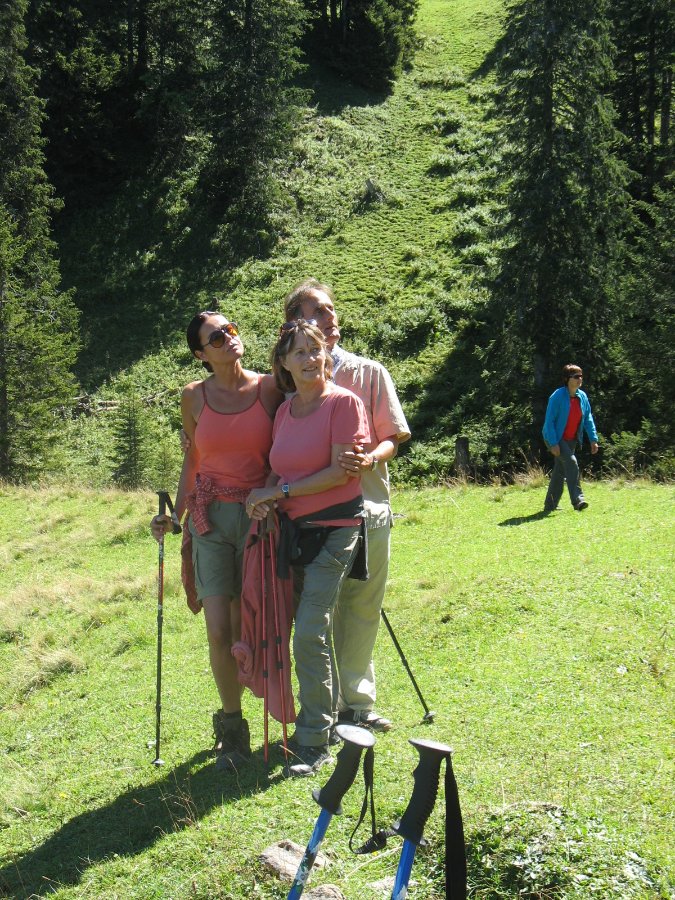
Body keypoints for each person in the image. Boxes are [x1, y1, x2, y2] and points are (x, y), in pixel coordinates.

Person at [150, 310, 284, 770]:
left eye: (230, 330)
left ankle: (276, 705)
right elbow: (193, 461)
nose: (229, 338)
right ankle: (232, 727)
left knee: (249, 625)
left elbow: (285, 449)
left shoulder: (270, 388)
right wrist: (175, 517)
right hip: (208, 520)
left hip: (258, 516)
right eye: (216, 337)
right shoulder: (193, 397)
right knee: (218, 630)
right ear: (200, 354)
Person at [283, 280, 410, 732]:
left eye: (331, 308)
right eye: (317, 310)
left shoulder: (368, 372)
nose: (330, 317)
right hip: (310, 516)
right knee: (320, 609)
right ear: (294, 323)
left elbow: (392, 436)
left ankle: (356, 704)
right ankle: (328, 706)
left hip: (369, 505)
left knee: (362, 606)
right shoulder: (287, 381)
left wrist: (370, 458)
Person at [246, 319, 370, 776]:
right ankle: (325, 721)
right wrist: (263, 495)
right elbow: (279, 469)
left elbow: (341, 473)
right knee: (308, 630)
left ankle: (314, 740)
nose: (310, 358)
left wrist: (278, 493)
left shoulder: (344, 403)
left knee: (309, 631)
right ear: (283, 362)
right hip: (293, 533)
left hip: (336, 530)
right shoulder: (285, 412)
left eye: (315, 349)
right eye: (299, 352)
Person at [542, 363, 599, 512]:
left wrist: (593, 439)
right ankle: (578, 500)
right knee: (571, 462)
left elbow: (588, 418)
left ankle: (550, 505)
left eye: (581, 376)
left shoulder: (582, 396)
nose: (580, 379)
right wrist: (553, 443)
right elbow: (549, 421)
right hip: (555, 437)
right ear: (567, 379)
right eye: (576, 376)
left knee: (560, 471)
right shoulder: (557, 396)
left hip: (571, 439)